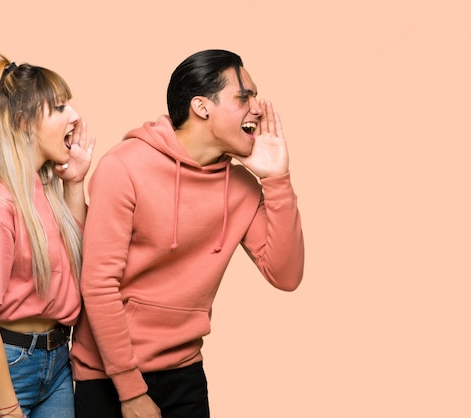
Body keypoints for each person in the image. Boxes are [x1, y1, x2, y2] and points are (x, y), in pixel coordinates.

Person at [70, 49, 305, 417]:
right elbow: (99, 285)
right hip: (108, 376)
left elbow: (286, 275)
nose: (257, 108)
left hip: (184, 372)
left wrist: (277, 180)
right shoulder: (124, 167)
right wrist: (130, 392)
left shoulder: (241, 186)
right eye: (244, 96)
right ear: (201, 106)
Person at [0, 54, 95, 418]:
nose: (74, 115)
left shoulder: (44, 190)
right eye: (59, 107)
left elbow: (81, 262)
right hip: (6, 366)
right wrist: (10, 412)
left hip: (58, 361)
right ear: (24, 122)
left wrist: (74, 183)